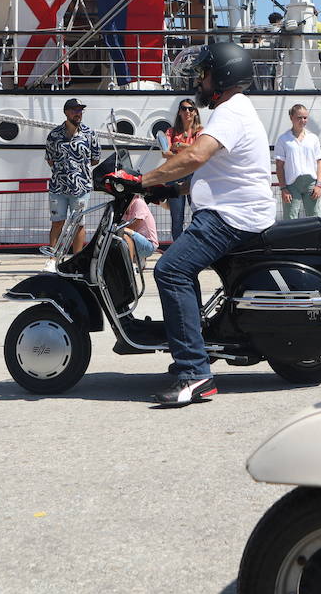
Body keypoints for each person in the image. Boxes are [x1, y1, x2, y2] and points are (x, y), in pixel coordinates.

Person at [106, 42, 275, 406]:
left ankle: (195, 373)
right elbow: (213, 170)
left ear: (223, 76)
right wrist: (168, 188)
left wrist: (141, 180)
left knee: (171, 270)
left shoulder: (230, 111)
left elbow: (196, 156)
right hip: (235, 210)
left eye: (205, 73)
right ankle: (194, 348)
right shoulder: (236, 110)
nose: (199, 81)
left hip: (232, 217)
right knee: (181, 267)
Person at [39, 98, 100, 271]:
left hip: (81, 188)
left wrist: (78, 171)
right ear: (66, 112)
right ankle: (52, 258)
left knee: (79, 224)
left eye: (80, 110)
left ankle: (77, 260)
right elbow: (50, 160)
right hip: (59, 186)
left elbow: (95, 158)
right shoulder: (54, 135)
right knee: (57, 222)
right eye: (74, 110)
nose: (78, 113)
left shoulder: (90, 134)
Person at [275, 104, 321, 220]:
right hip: (292, 184)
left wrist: (319, 184)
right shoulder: (283, 139)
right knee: (290, 218)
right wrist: (283, 188)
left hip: (311, 183)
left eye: (305, 117)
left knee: (314, 218)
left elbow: (319, 162)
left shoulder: (313, 138)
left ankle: (314, 239)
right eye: (299, 117)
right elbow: (279, 166)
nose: (303, 120)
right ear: (291, 117)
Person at [162, 98, 202, 242]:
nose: (187, 112)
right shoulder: (171, 131)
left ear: (195, 112)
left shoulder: (200, 131)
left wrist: (178, 145)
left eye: (190, 109)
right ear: (179, 112)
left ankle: (195, 245)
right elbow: (165, 153)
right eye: (184, 109)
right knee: (176, 217)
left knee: (198, 213)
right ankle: (178, 248)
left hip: (194, 176)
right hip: (175, 175)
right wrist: (189, 150)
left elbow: (199, 150)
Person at [118, 193, 159, 265]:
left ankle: (129, 267)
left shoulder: (138, 202)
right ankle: (137, 259)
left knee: (123, 234)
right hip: (139, 241)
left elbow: (137, 223)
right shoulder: (128, 206)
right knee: (119, 233)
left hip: (149, 244)